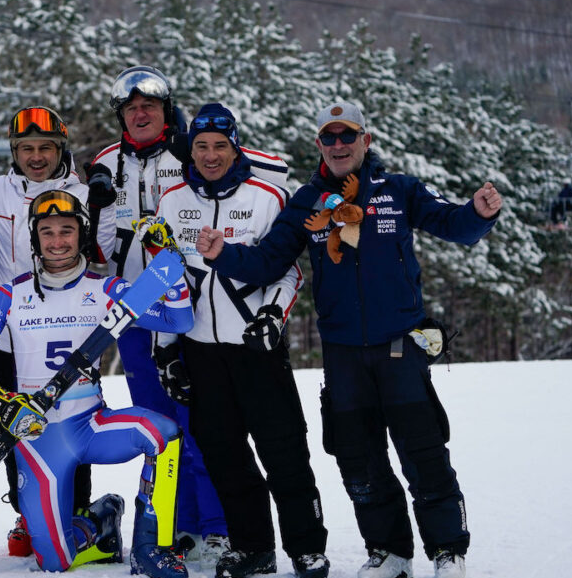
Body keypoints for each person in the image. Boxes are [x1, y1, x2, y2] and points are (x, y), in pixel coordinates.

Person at [197, 101, 503, 578]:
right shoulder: (308, 200)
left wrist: (478, 214)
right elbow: (269, 262)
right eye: (329, 137)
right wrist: (224, 255)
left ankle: (447, 551)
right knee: (359, 460)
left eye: (348, 136)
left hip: (400, 347)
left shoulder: (399, 190)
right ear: (319, 144)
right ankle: (389, 552)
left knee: (422, 452)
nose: (338, 145)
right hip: (342, 354)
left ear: (367, 141)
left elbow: (451, 224)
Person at [0, 189, 194, 578]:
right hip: (38, 440)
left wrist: (171, 270)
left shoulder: (106, 289)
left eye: (67, 230)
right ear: (35, 238)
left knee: (164, 433)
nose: (58, 241)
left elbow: (178, 321)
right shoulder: (9, 296)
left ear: (82, 234)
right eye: (47, 232)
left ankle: (151, 546)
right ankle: (101, 519)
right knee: (55, 561)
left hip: (92, 425)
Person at [152, 103, 330, 578]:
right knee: (224, 454)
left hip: (256, 346)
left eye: (220, 146)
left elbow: (286, 270)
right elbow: (166, 279)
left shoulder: (267, 195)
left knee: (284, 451)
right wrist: (166, 348)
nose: (210, 156)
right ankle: (253, 547)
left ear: (235, 146)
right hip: (200, 350)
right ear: (190, 148)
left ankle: (307, 547)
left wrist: (272, 316)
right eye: (202, 146)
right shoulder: (171, 200)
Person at [89, 66, 250, 568]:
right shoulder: (105, 162)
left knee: (200, 419)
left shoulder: (189, 150)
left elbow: (253, 173)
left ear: (166, 111)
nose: (141, 114)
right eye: (132, 107)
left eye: (150, 107)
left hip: (190, 307)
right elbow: (95, 241)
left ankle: (217, 528)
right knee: (157, 423)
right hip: (135, 309)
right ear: (121, 115)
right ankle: (173, 525)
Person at [0, 105, 116, 556]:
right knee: (18, 425)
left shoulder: (81, 190)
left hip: (69, 330)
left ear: (61, 149)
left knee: (73, 422)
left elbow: (104, 253)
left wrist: (104, 205)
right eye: (27, 148)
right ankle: (26, 511)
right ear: (14, 151)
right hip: (8, 337)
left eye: (46, 148)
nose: (37, 157)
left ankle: (75, 509)